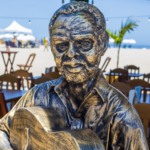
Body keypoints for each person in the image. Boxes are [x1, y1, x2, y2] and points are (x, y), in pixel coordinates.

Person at [0, 2, 148, 149]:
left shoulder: (121, 116)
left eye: (84, 43)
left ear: (102, 44)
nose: (71, 54)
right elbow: (3, 130)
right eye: (61, 45)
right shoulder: (37, 96)